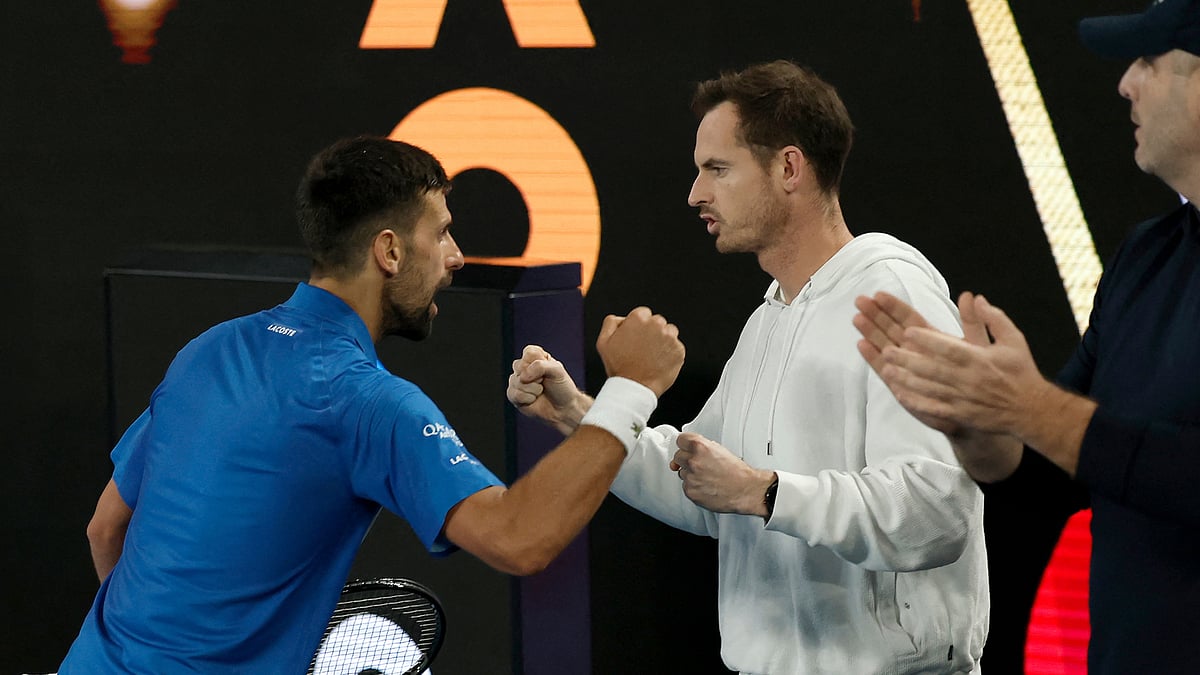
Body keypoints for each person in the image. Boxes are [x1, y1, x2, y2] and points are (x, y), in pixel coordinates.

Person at [58, 135, 685, 673]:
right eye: (441, 233)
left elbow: (105, 528)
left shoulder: (207, 350)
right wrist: (630, 389)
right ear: (389, 251)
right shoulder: (367, 401)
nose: (455, 257)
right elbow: (519, 538)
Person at [508, 61, 989, 674]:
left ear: (789, 168)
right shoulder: (768, 320)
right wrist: (582, 416)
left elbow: (935, 510)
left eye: (717, 169)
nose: (695, 194)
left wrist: (764, 492)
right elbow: (703, 485)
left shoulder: (894, 295)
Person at [852, 2, 1200, 673]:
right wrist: (977, 426)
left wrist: (1030, 406)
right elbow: (1059, 476)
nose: (1125, 83)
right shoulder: (1145, 256)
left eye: (1147, 61)